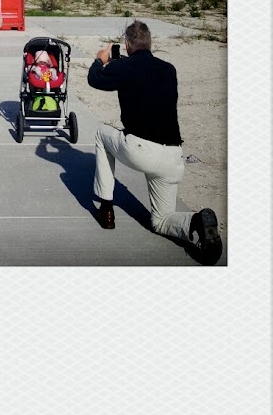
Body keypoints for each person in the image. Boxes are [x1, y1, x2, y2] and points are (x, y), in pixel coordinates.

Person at [87, 20, 223, 265]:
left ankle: (106, 208)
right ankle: (195, 221)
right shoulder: (169, 70)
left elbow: (95, 79)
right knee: (161, 221)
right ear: (150, 43)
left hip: (141, 149)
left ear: (127, 45)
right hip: (173, 155)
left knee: (100, 134)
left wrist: (101, 59)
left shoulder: (125, 67)